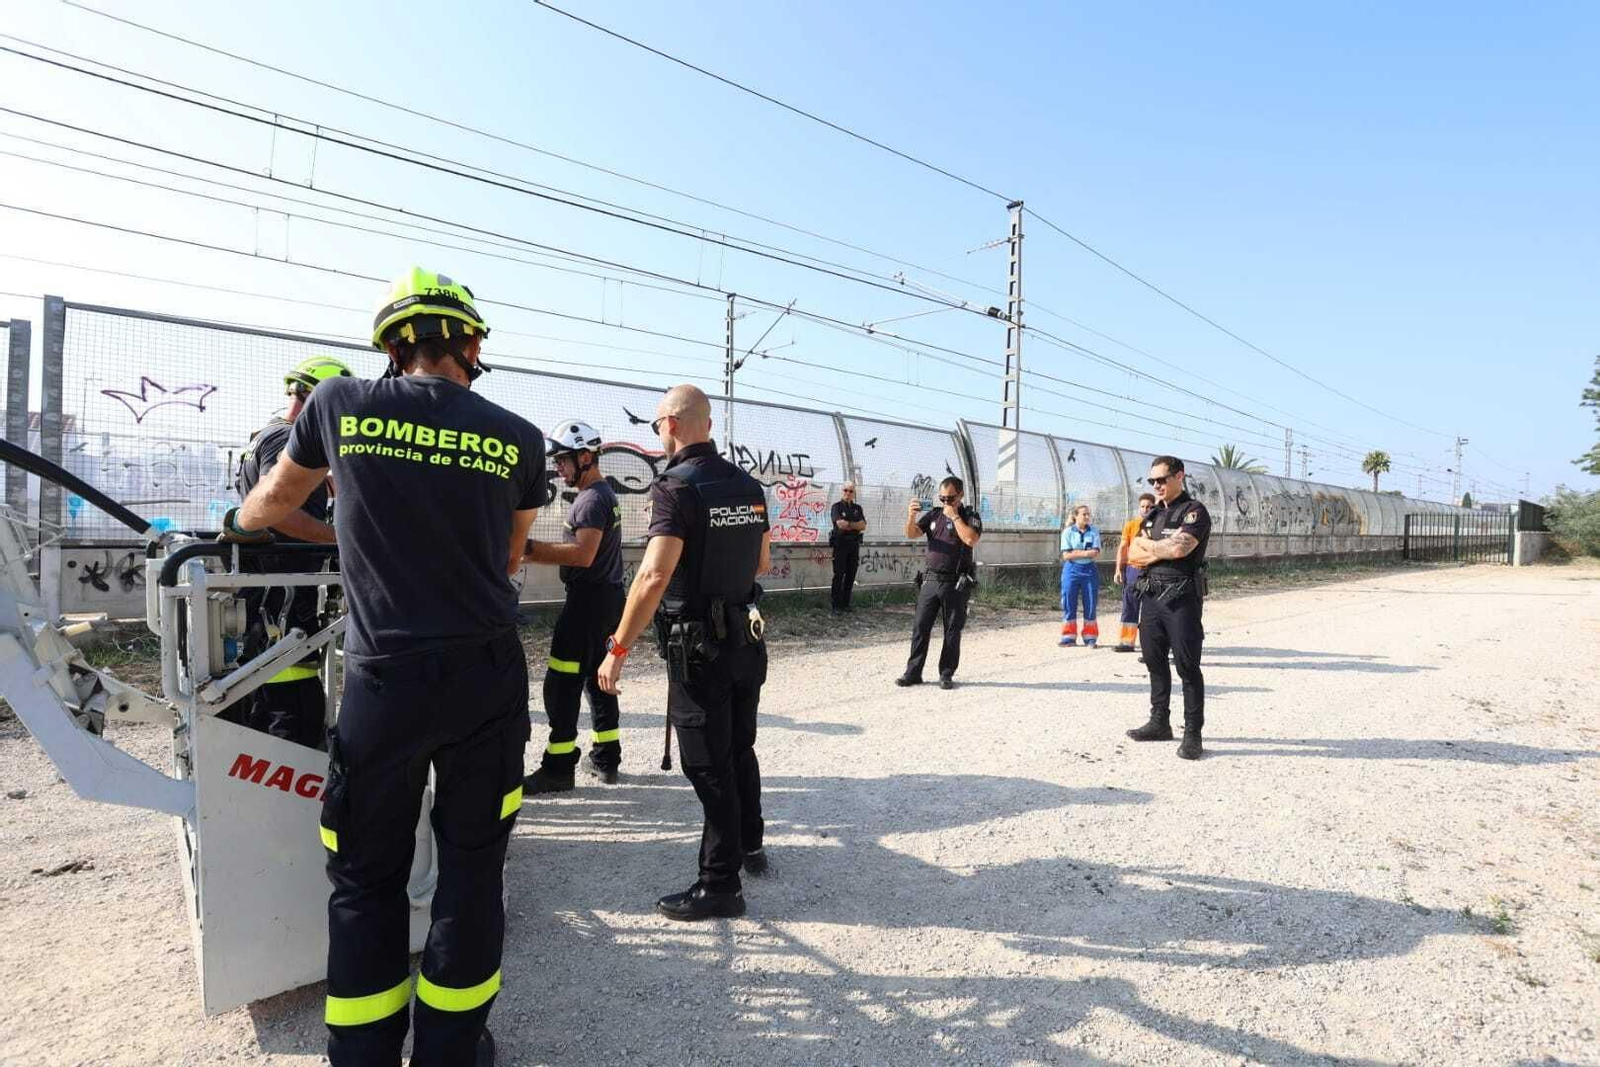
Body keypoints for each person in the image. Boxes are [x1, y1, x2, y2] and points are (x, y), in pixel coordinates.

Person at [223, 267, 547, 1066]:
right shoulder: (519, 435)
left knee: (365, 879)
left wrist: (241, 518)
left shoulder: (339, 405)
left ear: (393, 345)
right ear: (470, 345)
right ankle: (452, 1050)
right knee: (472, 872)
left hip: (384, 679)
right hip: (485, 676)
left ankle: (363, 1055)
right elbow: (509, 556)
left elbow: (271, 501)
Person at [596, 384, 771, 922]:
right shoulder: (749, 485)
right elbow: (762, 564)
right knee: (739, 747)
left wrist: (617, 647)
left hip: (699, 648)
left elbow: (653, 575)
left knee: (706, 764)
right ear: (708, 424)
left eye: (655, 425)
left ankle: (720, 885)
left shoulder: (675, 488)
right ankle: (750, 847)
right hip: (747, 638)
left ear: (670, 423)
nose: (657, 434)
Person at [227, 355, 348, 749]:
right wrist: (340, 538)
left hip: (266, 591)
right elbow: (280, 512)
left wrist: (321, 481)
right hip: (281, 598)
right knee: (295, 711)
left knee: (266, 701)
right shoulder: (286, 439)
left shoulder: (266, 435)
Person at [522, 419, 625, 792]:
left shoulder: (592, 499)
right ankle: (606, 757)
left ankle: (559, 767)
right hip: (606, 601)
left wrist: (526, 549)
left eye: (563, 460)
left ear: (585, 457)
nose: (558, 468)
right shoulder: (601, 495)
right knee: (600, 680)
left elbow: (583, 555)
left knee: (561, 684)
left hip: (587, 606)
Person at [1125, 456, 1211, 761]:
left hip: (1181, 599)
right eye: (1152, 482)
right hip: (1150, 597)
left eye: (1161, 479)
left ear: (1179, 476)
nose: (1157, 486)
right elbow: (1133, 553)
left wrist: (1153, 548)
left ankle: (1193, 734)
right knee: (1153, 660)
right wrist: (1157, 550)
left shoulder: (1194, 512)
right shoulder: (1152, 516)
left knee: (1187, 666)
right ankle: (1160, 722)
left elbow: (1180, 548)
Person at [895, 476, 982, 690]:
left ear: (960, 495)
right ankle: (913, 672)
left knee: (952, 629)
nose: (945, 503)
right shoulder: (934, 514)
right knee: (920, 626)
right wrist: (911, 515)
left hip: (955, 582)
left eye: (950, 499)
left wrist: (955, 518)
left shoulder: (970, 516)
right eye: (942, 498)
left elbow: (971, 539)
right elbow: (911, 533)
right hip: (931, 580)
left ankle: (946, 674)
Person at [1113, 493, 1157, 653]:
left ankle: (1150, 645)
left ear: (1154, 507)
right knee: (1130, 605)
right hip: (1133, 569)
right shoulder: (1131, 525)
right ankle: (1126, 642)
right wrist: (1119, 568)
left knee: (1151, 609)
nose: (1145, 509)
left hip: (1152, 570)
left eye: (1149, 506)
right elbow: (1123, 547)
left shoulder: (1158, 525)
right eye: (1143, 506)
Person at [1058, 504, 1101, 647]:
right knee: (1069, 602)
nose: (1087, 517)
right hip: (1071, 570)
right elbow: (1066, 555)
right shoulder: (1068, 532)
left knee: (1090, 603)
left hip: (1089, 570)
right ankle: (1068, 637)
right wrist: (1085, 553)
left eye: (1088, 514)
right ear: (1076, 516)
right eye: (1084, 514)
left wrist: (1076, 552)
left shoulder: (1094, 531)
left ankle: (1090, 637)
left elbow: (1095, 552)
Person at [828, 481, 866, 613]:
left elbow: (863, 525)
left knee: (851, 574)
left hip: (854, 545)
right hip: (840, 545)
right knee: (839, 575)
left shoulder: (857, 508)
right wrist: (854, 525)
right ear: (842, 491)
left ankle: (846, 604)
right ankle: (836, 605)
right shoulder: (836, 507)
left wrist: (849, 524)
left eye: (850, 491)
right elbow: (840, 524)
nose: (848, 493)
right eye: (845, 490)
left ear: (853, 493)